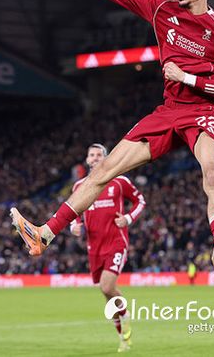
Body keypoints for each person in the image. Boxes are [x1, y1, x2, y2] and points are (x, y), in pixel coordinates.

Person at [10, 0, 214, 281]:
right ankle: (44, 233)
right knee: (104, 170)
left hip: (203, 110)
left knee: (211, 170)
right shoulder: (162, 7)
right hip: (168, 110)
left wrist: (187, 78)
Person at [69, 144, 145, 352]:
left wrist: (128, 218)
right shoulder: (79, 186)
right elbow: (73, 211)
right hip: (94, 247)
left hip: (116, 242)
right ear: (87, 160)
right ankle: (123, 338)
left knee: (107, 286)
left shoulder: (119, 181)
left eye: (99, 155)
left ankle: (126, 314)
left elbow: (140, 201)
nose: (95, 158)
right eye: (91, 155)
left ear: (106, 158)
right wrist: (74, 225)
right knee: (106, 295)